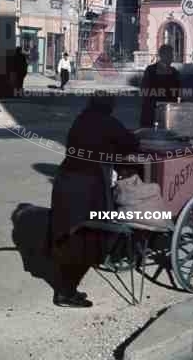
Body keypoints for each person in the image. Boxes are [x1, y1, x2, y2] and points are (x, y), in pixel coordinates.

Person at [50, 93, 139, 307]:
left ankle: (67, 288)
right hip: (86, 186)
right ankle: (65, 293)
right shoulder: (108, 122)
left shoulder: (82, 118)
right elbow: (130, 144)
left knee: (69, 235)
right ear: (109, 107)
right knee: (86, 240)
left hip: (65, 182)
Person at [140, 44, 181, 128]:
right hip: (152, 112)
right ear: (162, 55)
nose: (172, 57)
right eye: (169, 54)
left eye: (171, 54)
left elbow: (178, 92)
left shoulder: (175, 72)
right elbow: (145, 90)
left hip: (168, 112)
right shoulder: (151, 70)